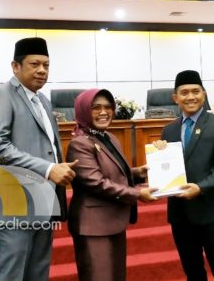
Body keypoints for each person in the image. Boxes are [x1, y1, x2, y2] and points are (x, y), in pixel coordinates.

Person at [0, 37, 77, 281]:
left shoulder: (43, 100)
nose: (42, 70)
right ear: (16, 66)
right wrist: (48, 168)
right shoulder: (0, 94)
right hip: (13, 207)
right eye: (35, 64)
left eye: (46, 65)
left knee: (37, 275)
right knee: (12, 276)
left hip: (43, 204)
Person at [66, 88, 157, 281]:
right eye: (96, 107)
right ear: (84, 110)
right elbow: (96, 182)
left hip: (113, 221)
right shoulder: (79, 143)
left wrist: (137, 173)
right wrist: (138, 194)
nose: (103, 112)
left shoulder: (109, 137)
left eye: (108, 107)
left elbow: (113, 172)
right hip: (93, 225)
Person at [154, 70, 214, 281]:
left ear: (204, 94)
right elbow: (167, 168)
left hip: (212, 211)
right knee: (192, 271)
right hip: (181, 214)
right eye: (184, 93)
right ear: (175, 98)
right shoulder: (168, 130)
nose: (190, 97)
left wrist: (200, 187)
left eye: (195, 91)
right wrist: (157, 156)